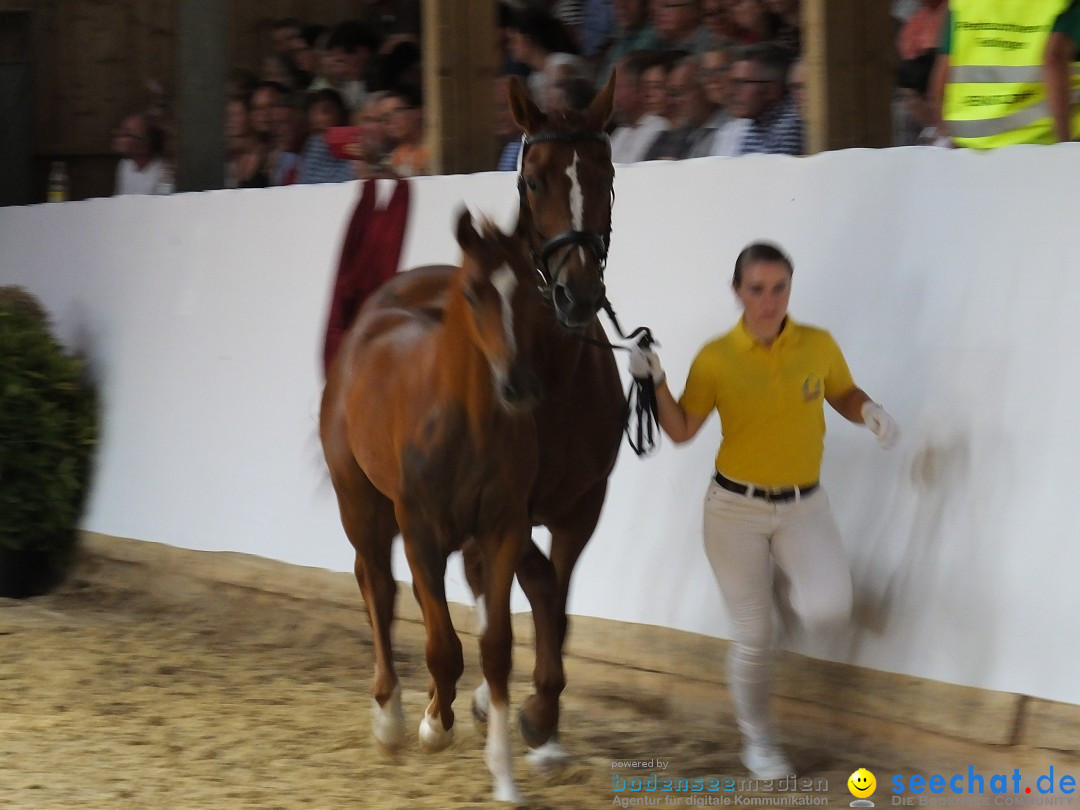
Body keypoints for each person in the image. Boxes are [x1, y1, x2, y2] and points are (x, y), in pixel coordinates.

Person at [627, 242, 899, 780]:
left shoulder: (816, 344)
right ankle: (760, 741)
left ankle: (777, 585)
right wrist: (653, 379)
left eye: (779, 288)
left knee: (828, 610)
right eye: (757, 289)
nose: (769, 301)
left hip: (804, 504)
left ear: (790, 290)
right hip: (734, 510)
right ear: (737, 292)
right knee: (755, 637)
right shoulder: (715, 357)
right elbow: (681, 430)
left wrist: (867, 409)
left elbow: (841, 392)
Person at [930, 0, 1080, 148]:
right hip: (1039, 140)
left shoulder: (965, 3)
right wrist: (1065, 144)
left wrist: (946, 133)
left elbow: (943, 71)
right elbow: (1054, 60)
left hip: (973, 141)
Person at [729, 42, 803, 155]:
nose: (733, 92)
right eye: (733, 83)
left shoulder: (790, 127)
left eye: (743, 83)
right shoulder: (757, 123)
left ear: (772, 90)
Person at [111, 112, 167, 195]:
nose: (116, 133)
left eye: (126, 133)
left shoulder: (163, 175)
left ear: (144, 146)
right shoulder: (125, 165)